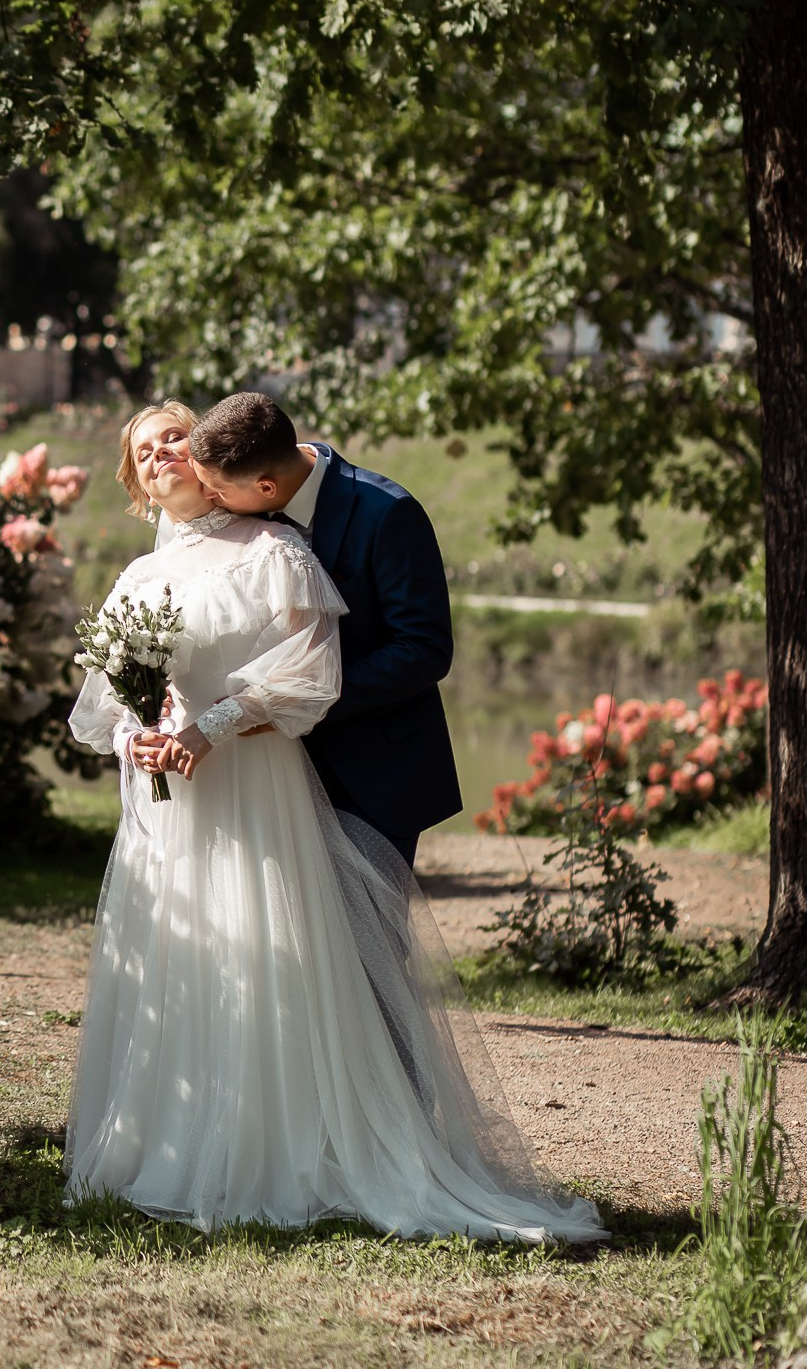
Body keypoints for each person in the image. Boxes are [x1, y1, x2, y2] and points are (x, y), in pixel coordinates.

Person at [63, 400, 602, 1241]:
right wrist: (149, 733)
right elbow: (111, 694)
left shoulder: (339, 525)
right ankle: (194, 1133)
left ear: (231, 473)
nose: (169, 454)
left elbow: (406, 652)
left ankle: (371, 1140)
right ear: (139, 481)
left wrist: (224, 724)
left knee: (346, 962)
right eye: (147, 448)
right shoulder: (142, 576)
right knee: (207, 953)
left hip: (347, 768)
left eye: (177, 436)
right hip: (192, 793)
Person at [182, 391, 460, 868]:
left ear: (266, 488)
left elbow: (423, 648)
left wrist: (300, 699)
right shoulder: (245, 510)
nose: (209, 499)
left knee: (370, 937)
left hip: (372, 769)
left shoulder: (388, 514)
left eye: (218, 490)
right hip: (271, 774)